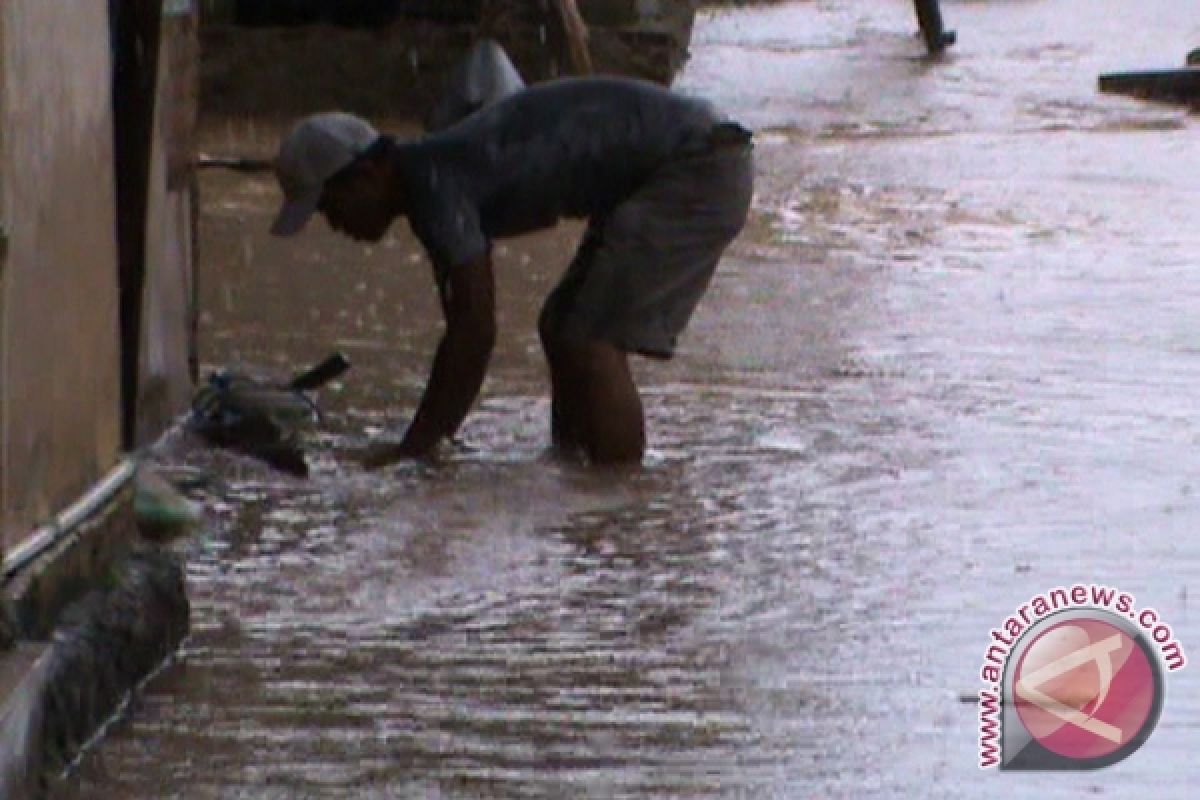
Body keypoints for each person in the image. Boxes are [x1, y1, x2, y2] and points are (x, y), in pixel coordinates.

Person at [269, 76, 754, 467]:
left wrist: (412, 452)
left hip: (699, 162)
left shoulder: (435, 188)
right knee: (561, 327)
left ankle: (620, 502)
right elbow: (464, 330)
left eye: (331, 208)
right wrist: (426, 438)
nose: (335, 225)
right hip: (695, 150)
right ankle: (574, 469)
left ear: (368, 174)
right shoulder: (430, 175)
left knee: (591, 341)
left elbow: (473, 332)